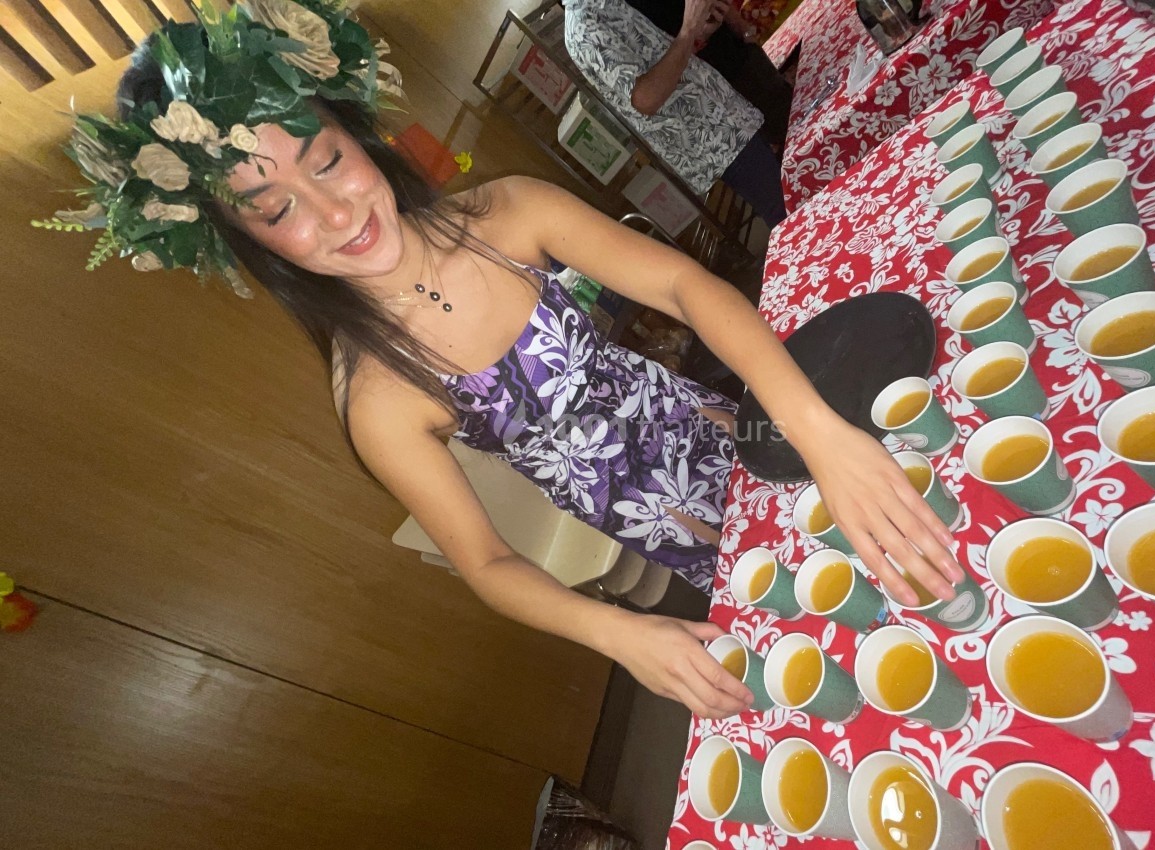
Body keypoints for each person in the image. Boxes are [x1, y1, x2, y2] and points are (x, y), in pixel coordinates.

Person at [39, 0, 959, 719]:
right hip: (679, 530)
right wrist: (620, 632)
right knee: (874, 634)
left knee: (931, 519)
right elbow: (483, 562)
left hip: (750, 419)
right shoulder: (378, 400)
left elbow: (685, 288)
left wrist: (814, 432)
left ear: (356, 136)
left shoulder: (508, 213)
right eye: (273, 209)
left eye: (322, 161)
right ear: (250, 242)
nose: (330, 215)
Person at [563, 0, 787, 228]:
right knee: (786, 208)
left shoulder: (604, 4)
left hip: (725, 112)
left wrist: (697, 31)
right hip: (710, 136)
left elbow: (660, 56)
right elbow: (646, 99)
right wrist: (688, 28)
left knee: (790, 187)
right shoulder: (584, 28)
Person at [622, 0, 793, 149]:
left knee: (791, 119)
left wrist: (743, 29)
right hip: (710, 98)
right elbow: (646, 97)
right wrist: (695, 34)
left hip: (739, 60)